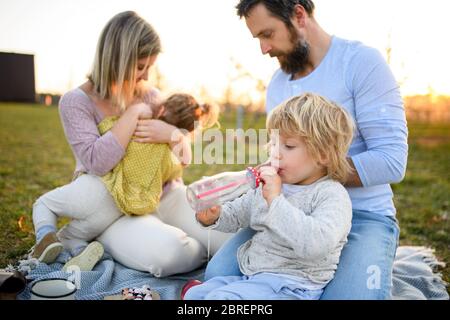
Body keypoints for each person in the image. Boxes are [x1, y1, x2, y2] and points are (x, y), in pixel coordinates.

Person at [205, 0, 408, 299]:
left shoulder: (361, 63)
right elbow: (287, 155)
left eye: (268, 34)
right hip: (287, 208)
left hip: (364, 214)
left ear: (299, 15)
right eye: (258, 38)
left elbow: (391, 161)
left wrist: (313, 174)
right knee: (218, 275)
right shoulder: (277, 84)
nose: (264, 48)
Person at [30, 11, 229, 276]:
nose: (146, 76)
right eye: (140, 67)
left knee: (227, 237)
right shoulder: (76, 102)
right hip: (116, 205)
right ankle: (111, 238)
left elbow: (183, 157)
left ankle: (194, 244)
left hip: (163, 192)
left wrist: (172, 133)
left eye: (150, 67)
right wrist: (132, 115)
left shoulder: (150, 96)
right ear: (117, 58)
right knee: (174, 254)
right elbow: (96, 163)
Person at [183, 93, 354, 300]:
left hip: (292, 287)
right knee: (198, 295)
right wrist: (215, 216)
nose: (275, 153)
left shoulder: (331, 195)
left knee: (220, 299)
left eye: (288, 146)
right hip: (255, 278)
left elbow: (316, 245)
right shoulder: (271, 185)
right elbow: (239, 213)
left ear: (323, 155)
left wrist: (275, 201)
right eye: (273, 144)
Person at [31, 92, 217, 271]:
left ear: (161, 110)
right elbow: (179, 167)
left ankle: (45, 235)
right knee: (78, 234)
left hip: (97, 188)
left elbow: (103, 136)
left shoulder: (133, 125)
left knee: (45, 204)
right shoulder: (168, 157)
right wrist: (175, 138)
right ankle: (78, 248)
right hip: (119, 209)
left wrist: (129, 118)